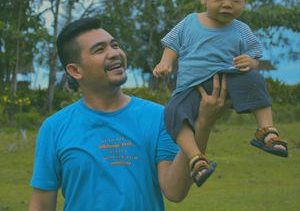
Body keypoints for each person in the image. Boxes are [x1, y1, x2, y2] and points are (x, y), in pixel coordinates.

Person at [29, 17, 228, 211]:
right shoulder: (54, 128)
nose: (114, 53)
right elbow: (41, 204)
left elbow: (174, 191)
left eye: (114, 45)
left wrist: (203, 124)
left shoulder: (160, 116)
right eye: (99, 49)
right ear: (75, 70)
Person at [153, 0, 288, 188]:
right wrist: (166, 63)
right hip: (190, 89)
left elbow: (256, 55)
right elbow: (171, 45)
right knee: (172, 113)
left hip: (228, 80)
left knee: (255, 78)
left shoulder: (241, 29)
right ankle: (196, 159)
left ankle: (266, 131)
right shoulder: (190, 22)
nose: (227, 4)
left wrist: (251, 63)